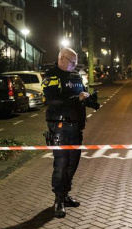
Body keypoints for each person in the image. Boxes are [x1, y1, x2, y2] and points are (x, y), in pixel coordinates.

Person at [42, 48, 100, 218]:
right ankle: (58, 200)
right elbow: (52, 101)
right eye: (72, 61)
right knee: (61, 164)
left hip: (76, 126)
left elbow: (80, 96)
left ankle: (65, 194)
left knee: (73, 163)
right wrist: (77, 99)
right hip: (60, 126)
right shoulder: (51, 76)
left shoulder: (75, 76)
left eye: (76, 62)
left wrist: (91, 101)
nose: (75, 65)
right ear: (61, 59)